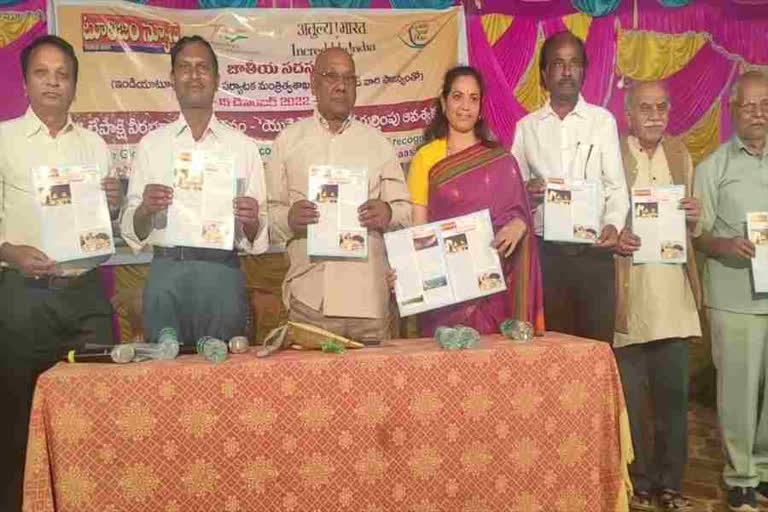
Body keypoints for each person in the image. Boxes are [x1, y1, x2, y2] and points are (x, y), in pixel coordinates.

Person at [0, 35, 122, 512]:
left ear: (74, 85)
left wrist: (109, 208)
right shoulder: (3, 139)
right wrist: (9, 250)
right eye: (41, 73)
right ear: (25, 83)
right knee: (15, 424)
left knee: (92, 421)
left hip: (85, 299)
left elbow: (101, 231)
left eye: (62, 74)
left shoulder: (94, 146)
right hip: (21, 299)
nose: (53, 82)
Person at [121, 36, 268, 344]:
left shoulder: (242, 148)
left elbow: (257, 235)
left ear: (217, 79)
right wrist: (145, 209)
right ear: (172, 79)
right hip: (167, 272)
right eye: (185, 67)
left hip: (221, 274)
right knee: (163, 378)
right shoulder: (152, 145)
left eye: (203, 67)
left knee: (225, 379)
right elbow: (133, 230)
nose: (194, 75)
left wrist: (252, 218)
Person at [267, 47, 411, 343]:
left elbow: (406, 212)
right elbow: (265, 218)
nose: (341, 85)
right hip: (310, 299)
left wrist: (388, 212)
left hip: (368, 299)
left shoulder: (377, 143)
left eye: (350, 78)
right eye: (331, 75)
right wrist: (289, 218)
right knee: (309, 390)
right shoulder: (288, 141)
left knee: (375, 389)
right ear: (314, 83)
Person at [613, 80, 701, 511]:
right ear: (628, 114)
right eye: (644, 107)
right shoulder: (611, 153)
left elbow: (694, 227)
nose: (653, 115)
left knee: (672, 401)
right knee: (631, 402)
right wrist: (616, 236)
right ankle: (640, 481)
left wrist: (695, 216)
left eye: (661, 107)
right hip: (629, 299)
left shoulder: (682, 155)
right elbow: (600, 216)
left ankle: (671, 482)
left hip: (674, 299)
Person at [404, 65, 544, 336]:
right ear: (444, 103)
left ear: (481, 108)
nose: (465, 106)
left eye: (473, 98)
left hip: (494, 287)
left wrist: (520, 224)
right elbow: (418, 229)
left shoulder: (500, 159)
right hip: (446, 292)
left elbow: (519, 212)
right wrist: (409, 269)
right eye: (457, 96)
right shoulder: (425, 158)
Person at [511, 30, 628, 342]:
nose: (566, 70)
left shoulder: (602, 122)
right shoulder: (527, 128)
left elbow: (616, 187)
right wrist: (527, 190)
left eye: (574, 63)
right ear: (544, 75)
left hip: (594, 256)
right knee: (555, 351)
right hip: (548, 257)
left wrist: (614, 225)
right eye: (558, 63)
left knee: (596, 349)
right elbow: (511, 194)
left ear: (584, 71)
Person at [694, 70, 768, 512]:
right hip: (734, 296)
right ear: (733, 109)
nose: (759, 113)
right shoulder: (713, 167)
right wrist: (727, 244)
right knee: (738, 390)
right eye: (749, 105)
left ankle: (764, 467)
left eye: (766, 104)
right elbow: (698, 235)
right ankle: (740, 476)